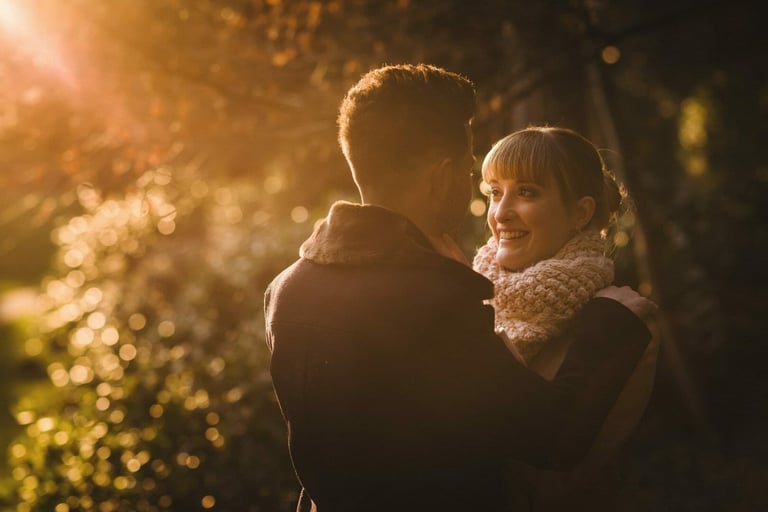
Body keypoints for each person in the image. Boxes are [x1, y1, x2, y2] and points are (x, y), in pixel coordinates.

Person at [264, 64, 655, 512]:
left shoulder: (286, 289)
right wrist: (613, 318)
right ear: (441, 176)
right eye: (475, 177)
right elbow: (554, 438)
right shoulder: (435, 300)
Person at [472, 126, 660, 510]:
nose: (501, 212)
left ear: (581, 212)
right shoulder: (475, 297)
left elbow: (554, 447)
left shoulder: (619, 317)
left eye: (526, 191)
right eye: (495, 192)